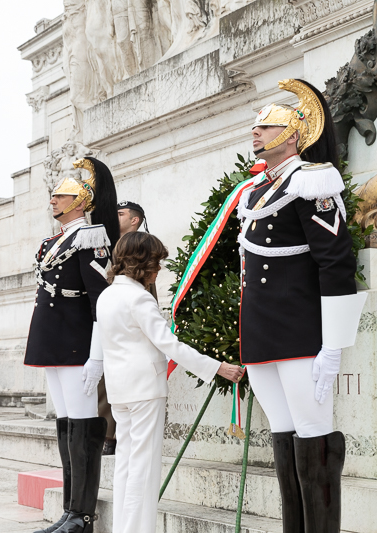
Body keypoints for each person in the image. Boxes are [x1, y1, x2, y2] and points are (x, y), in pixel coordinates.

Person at [237, 78, 367, 532]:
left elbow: (336, 262)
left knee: (314, 436)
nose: (256, 132)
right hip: (261, 335)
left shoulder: (312, 181)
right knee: (283, 435)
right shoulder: (257, 190)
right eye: (255, 127)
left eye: (267, 127)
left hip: (298, 333)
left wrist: (332, 345)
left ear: (293, 135)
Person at [92, 231, 244, 533]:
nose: (158, 269)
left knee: (125, 465)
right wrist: (218, 367)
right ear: (142, 263)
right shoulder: (139, 298)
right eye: (156, 262)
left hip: (119, 390)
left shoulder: (106, 295)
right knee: (143, 469)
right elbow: (169, 344)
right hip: (145, 390)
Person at [25, 157, 120, 533]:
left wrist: (97, 356)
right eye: (53, 195)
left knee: (83, 425)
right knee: (66, 425)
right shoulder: (53, 242)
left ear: (80, 202)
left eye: (61, 195)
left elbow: (100, 302)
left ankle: (83, 516)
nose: (53, 199)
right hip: (53, 341)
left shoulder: (90, 239)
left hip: (78, 344)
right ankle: (69, 511)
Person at [96, 200, 152, 457]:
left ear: (135, 220)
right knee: (105, 380)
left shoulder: (143, 247)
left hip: (132, 317)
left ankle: (116, 436)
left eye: (121, 214)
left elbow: (147, 289)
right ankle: (107, 435)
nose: (115, 217)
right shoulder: (105, 245)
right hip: (108, 317)